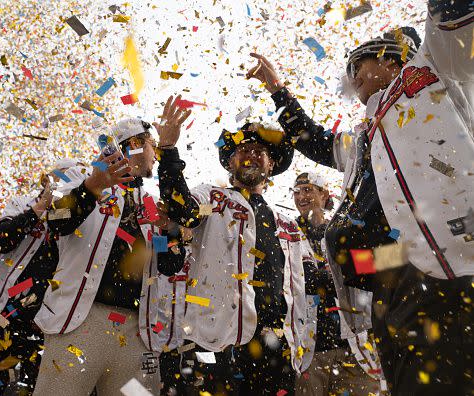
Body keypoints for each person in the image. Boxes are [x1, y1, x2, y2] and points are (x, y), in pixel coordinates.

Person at [248, 1, 473, 393]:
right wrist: (277, 90)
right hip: (390, 276)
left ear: (391, 59)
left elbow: (452, 18)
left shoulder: (432, 70)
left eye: (359, 64)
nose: (352, 76)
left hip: (450, 268)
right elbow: (313, 139)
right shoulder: (359, 136)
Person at [156, 95, 316, 395]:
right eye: (243, 150)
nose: (251, 155)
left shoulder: (287, 225)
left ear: (272, 164)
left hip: (275, 346)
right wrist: (167, 149)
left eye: (260, 151)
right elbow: (182, 210)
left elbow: (303, 286)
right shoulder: (213, 199)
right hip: (219, 342)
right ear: (230, 161)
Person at [33, 119, 186, 396]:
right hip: (79, 322)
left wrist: (170, 230)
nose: (155, 154)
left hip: (137, 332)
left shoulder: (151, 203)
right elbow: (55, 221)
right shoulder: (83, 177)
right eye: (152, 145)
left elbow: (169, 264)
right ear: (136, 145)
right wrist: (91, 187)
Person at [0, 160, 78, 395]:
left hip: (42, 322)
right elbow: (0, 239)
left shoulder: (73, 218)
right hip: (1, 313)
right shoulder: (22, 203)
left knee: (32, 388)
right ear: (47, 180)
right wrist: (40, 208)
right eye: (65, 178)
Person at [292, 172, 380, 395]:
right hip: (309, 352)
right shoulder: (287, 232)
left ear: (324, 194)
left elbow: (373, 267)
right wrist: (346, 272)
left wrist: (348, 272)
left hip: (356, 349)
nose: (301, 196)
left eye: (308, 189)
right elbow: (304, 281)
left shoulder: (343, 230)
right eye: (296, 191)